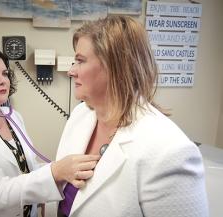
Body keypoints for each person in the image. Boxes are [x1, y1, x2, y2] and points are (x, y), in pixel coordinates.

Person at [53, 15, 209, 217]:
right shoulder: (80, 115)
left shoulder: (169, 151)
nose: (71, 71)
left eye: (80, 61)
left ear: (115, 67)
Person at [0, 45, 100, 217]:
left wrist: (57, 173)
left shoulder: (13, 117)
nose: (3, 81)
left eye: (5, 73)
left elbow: (25, 167)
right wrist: (55, 172)